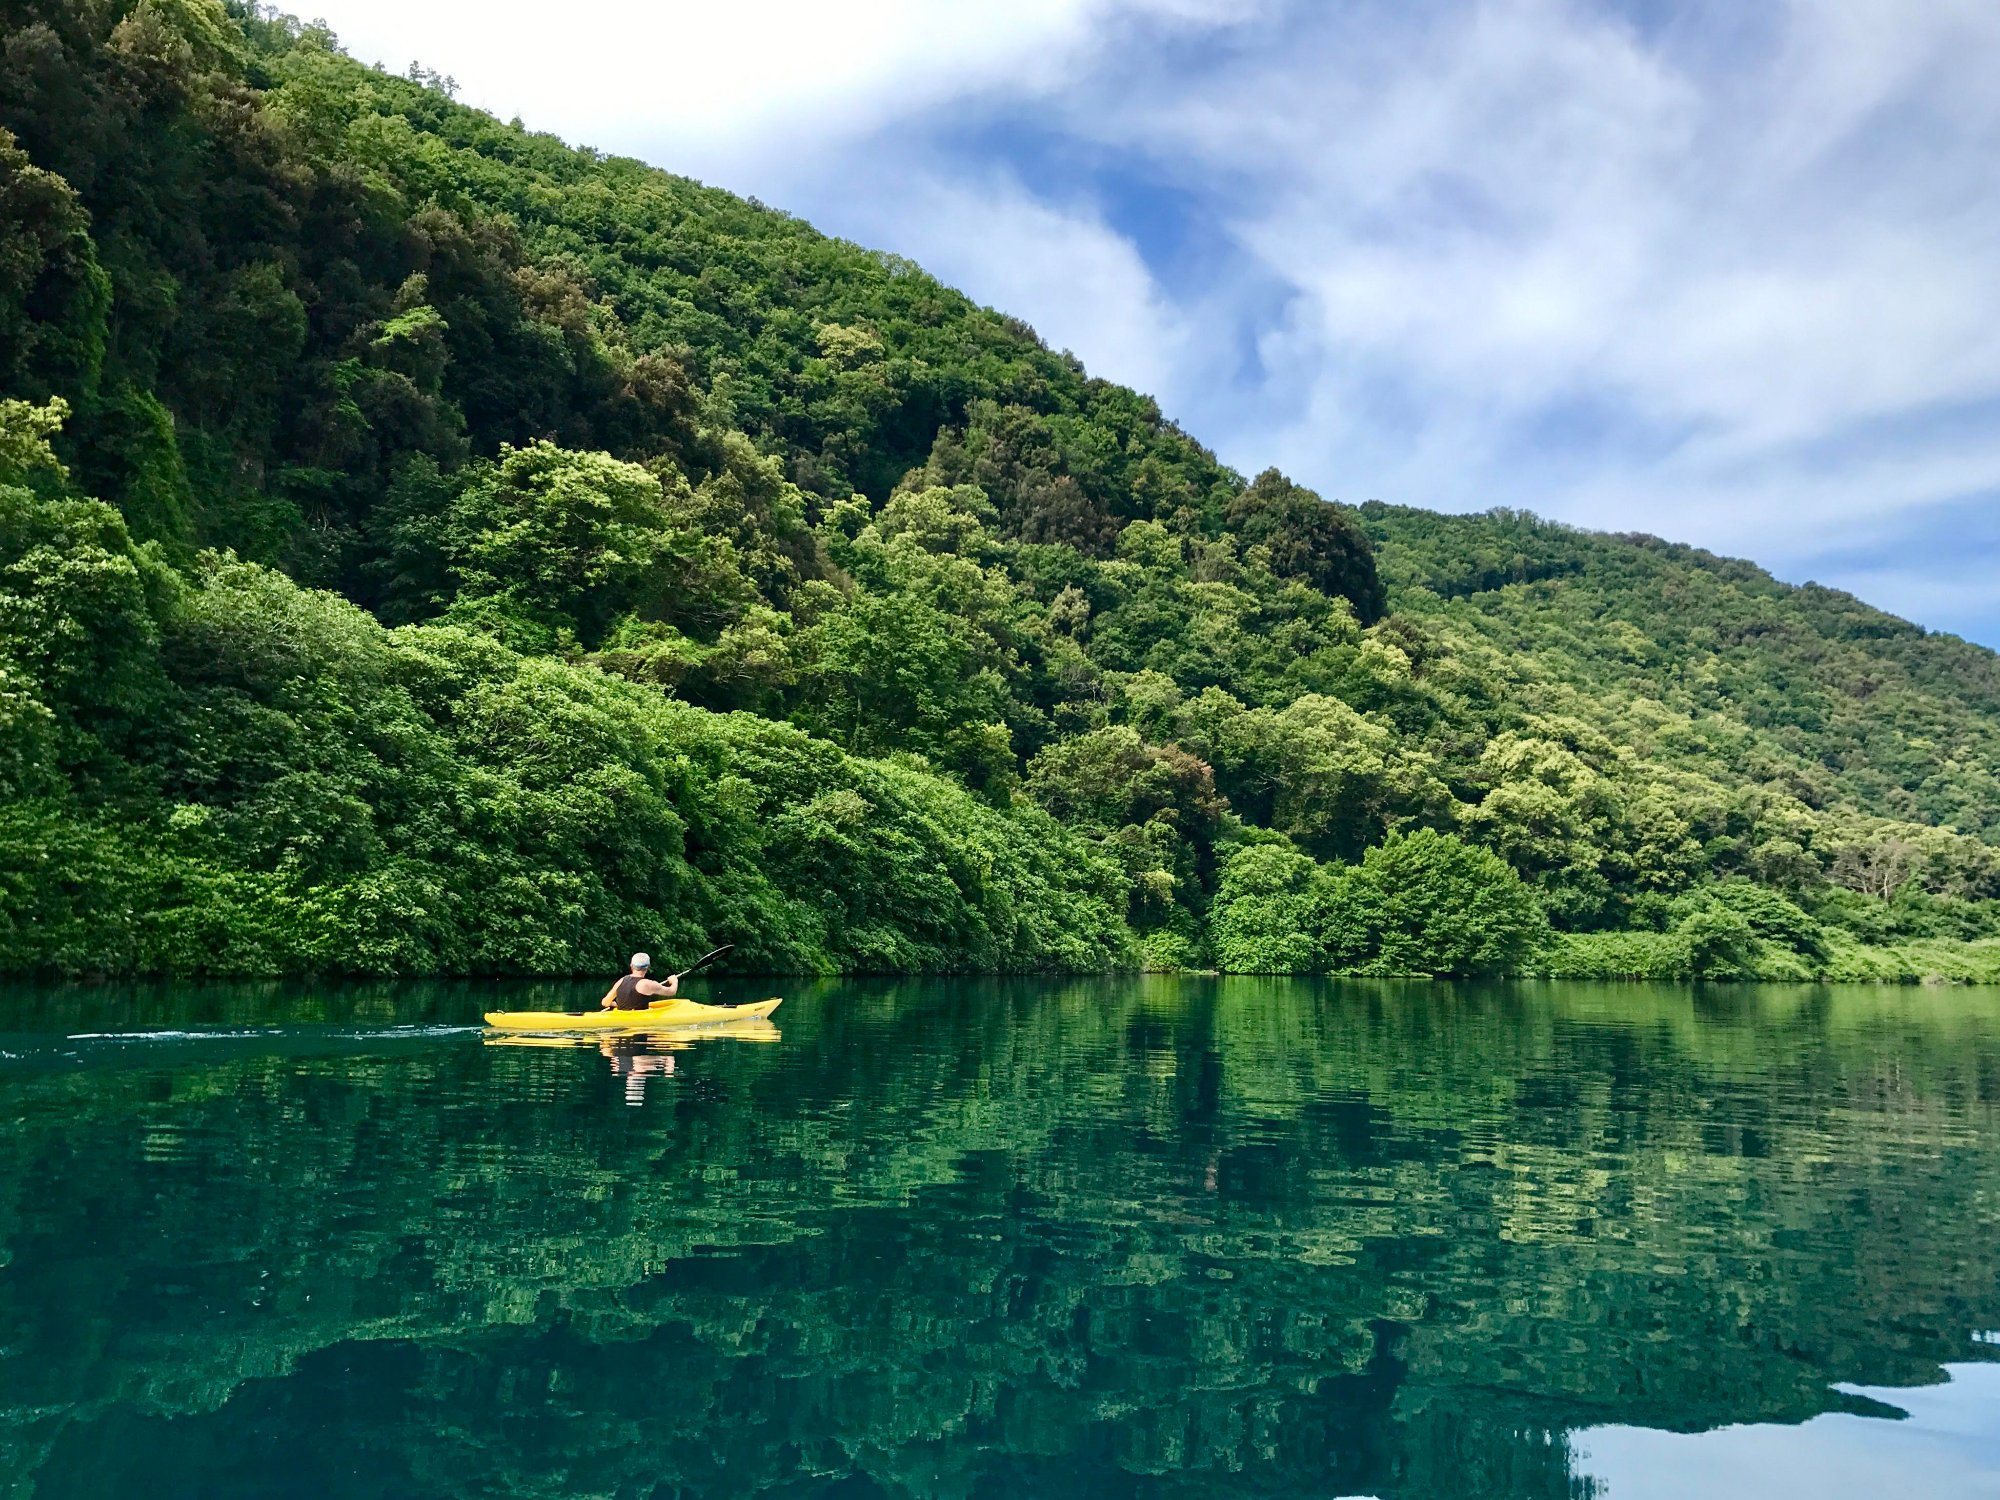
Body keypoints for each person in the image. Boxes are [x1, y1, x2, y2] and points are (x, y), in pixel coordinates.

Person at [600, 953, 680, 1011]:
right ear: (648, 967)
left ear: (631, 965)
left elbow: (605, 1003)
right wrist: (674, 981)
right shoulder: (648, 984)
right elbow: (672, 991)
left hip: (622, 1018)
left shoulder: (622, 980)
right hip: (638, 1023)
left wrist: (619, 1005)